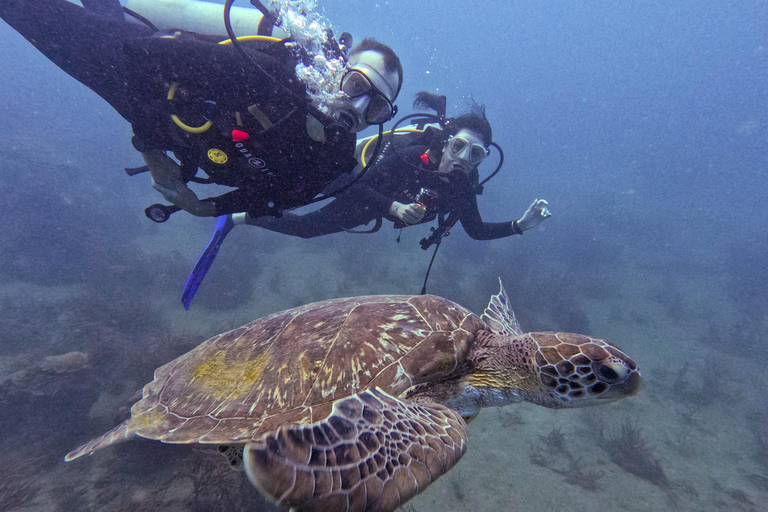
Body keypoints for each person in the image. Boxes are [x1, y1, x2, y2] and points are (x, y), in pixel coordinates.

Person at [0, 0, 403, 219]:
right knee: (29, 12)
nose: (357, 107)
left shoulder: (333, 160)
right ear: (335, 71)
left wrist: (205, 209)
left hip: (180, 134)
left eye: (376, 107)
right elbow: (141, 55)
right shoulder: (261, 75)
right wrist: (152, 151)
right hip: (130, 81)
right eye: (355, 86)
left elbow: (273, 198)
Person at [180, 92, 551, 308]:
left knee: (303, 220)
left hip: (383, 206)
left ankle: (241, 215)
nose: (463, 159)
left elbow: (476, 230)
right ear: (447, 142)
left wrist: (520, 226)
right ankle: (235, 216)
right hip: (367, 194)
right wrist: (393, 207)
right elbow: (350, 182)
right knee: (305, 224)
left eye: (475, 155)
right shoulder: (412, 157)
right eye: (459, 146)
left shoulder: (463, 186)